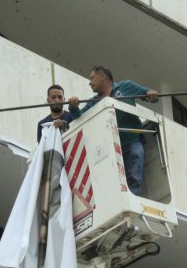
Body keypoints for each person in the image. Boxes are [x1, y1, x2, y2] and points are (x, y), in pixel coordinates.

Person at [68, 66, 158, 196]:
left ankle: (133, 204)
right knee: (113, 181)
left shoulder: (125, 86)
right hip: (109, 147)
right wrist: (73, 107)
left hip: (131, 141)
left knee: (133, 175)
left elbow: (149, 95)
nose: (89, 82)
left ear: (103, 76)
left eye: (92, 78)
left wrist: (152, 94)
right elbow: (78, 117)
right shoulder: (94, 102)